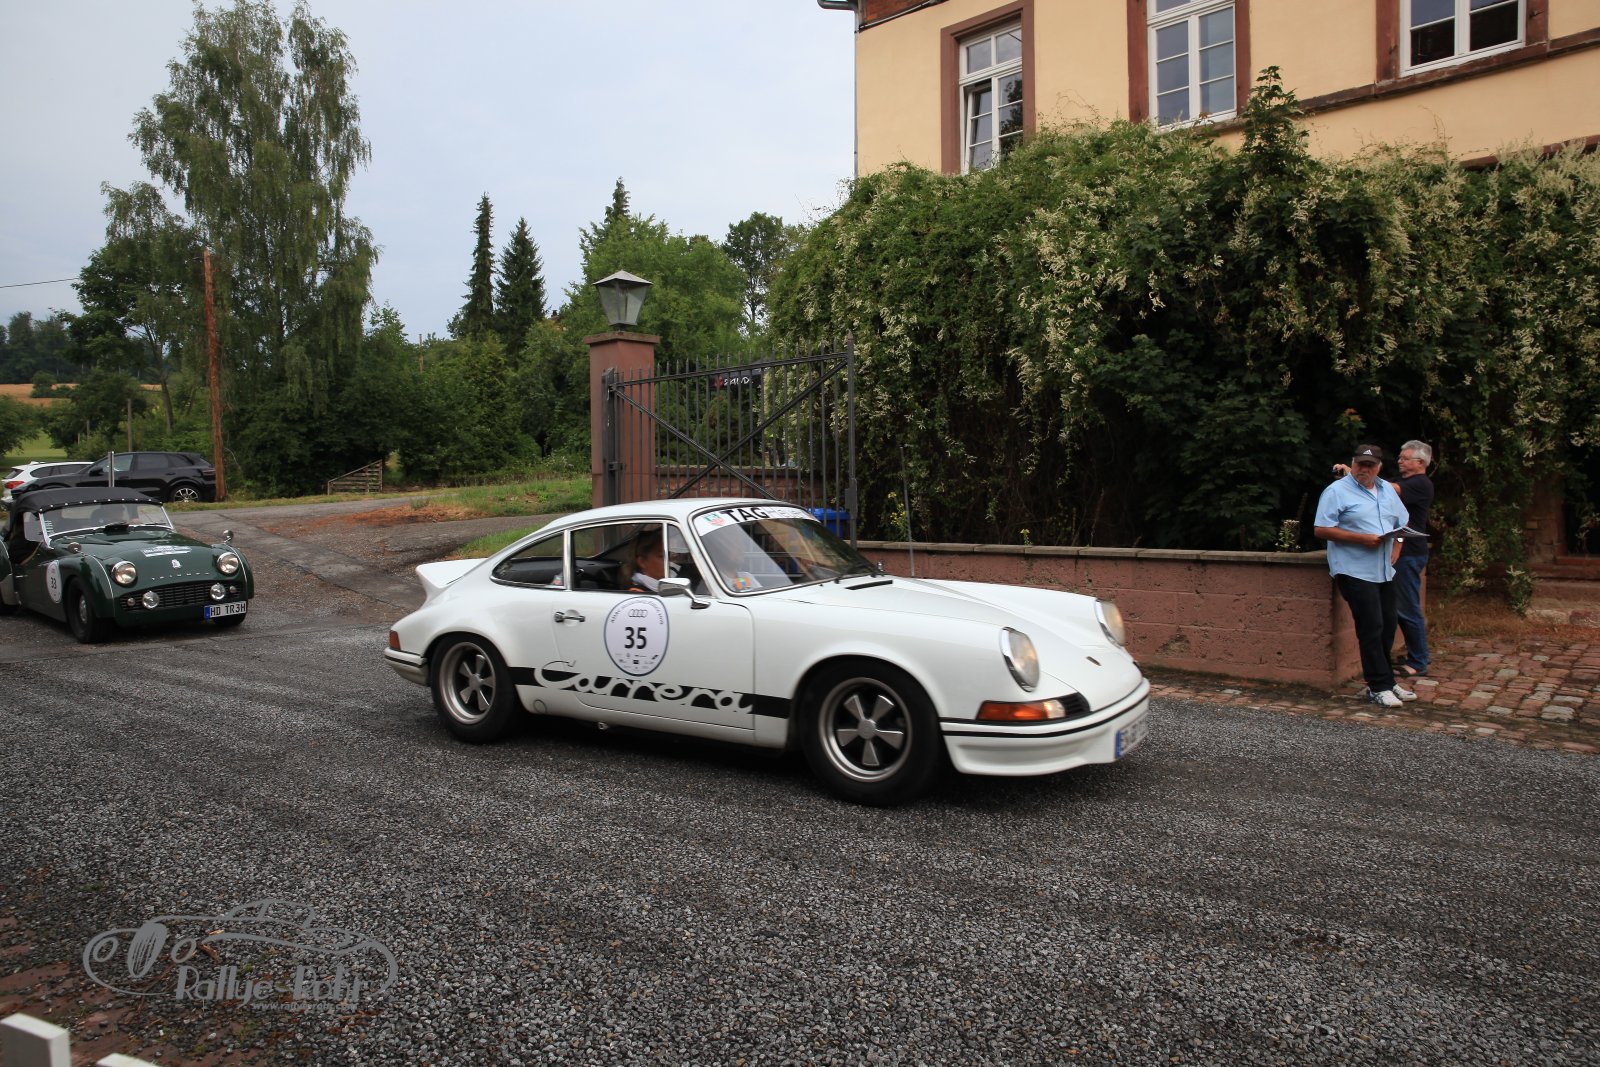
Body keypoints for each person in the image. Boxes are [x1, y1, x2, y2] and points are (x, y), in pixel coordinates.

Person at [1314, 444, 1416, 708]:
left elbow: (1402, 523)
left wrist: (1397, 546)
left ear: (1379, 467)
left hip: (1383, 570)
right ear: (1352, 463)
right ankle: (1378, 686)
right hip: (1353, 569)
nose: (1364, 470)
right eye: (1360, 464)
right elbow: (1321, 529)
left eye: (1370, 466)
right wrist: (1361, 539)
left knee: (1388, 625)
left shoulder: (1386, 490)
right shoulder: (1337, 491)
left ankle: (1387, 681)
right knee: (1371, 627)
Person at [1391, 441, 1434, 676]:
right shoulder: (1406, 481)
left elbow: (1386, 490)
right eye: (1400, 457)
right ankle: (1416, 655)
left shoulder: (1420, 483)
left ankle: (1418, 661)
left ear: (1420, 462)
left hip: (1408, 554)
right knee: (1401, 607)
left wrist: (1356, 475)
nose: (1400, 461)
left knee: (1408, 608)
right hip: (1403, 552)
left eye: (1405, 458)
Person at [626, 528, 666, 592]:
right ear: (642, 562)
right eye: (661, 556)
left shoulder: (658, 587)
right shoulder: (638, 592)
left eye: (668, 556)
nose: (668, 561)